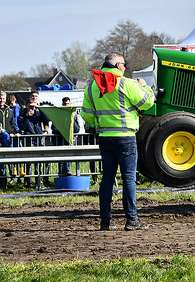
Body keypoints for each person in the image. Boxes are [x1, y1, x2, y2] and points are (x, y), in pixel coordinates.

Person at [81, 53, 155, 231]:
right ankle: (131, 220)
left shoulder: (92, 87)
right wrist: (146, 88)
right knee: (128, 179)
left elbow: (87, 115)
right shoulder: (127, 83)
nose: (125, 68)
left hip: (105, 138)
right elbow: (147, 103)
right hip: (126, 138)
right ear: (117, 65)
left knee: (107, 179)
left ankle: (106, 221)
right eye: (123, 64)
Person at [17, 100, 50, 188]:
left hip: (39, 140)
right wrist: (26, 116)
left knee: (39, 162)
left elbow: (46, 119)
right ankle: (29, 181)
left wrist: (39, 108)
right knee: (29, 163)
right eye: (30, 106)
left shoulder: (37, 114)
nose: (32, 108)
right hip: (29, 140)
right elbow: (21, 127)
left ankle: (39, 180)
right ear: (26, 106)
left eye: (33, 106)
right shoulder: (22, 116)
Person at [53, 97, 82, 176]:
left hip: (70, 140)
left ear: (70, 104)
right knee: (61, 160)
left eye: (68, 104)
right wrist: (63, 131)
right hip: (60, 140)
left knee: (69, 158)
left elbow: (77, 129)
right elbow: (54, 129)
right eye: (65, 104)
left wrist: (71, 119)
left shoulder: (74, 115)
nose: (66, 105)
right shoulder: (58, 115)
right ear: (62, 105)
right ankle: (61, 175)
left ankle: (68, 172)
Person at [0, 92, 15, 189]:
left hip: (6, 140)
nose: (1, 100)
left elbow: (12, 124)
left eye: (3, 98)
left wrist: (12, 132)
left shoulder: (9, 110)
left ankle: (4, 185)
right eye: (0, 98)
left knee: (6, 164)